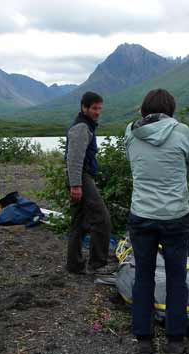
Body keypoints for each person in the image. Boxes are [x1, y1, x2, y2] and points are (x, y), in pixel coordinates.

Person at [124, 89, 189, 354]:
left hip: (141, 214)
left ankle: (144, 339)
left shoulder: (130, 132)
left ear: (144, 108)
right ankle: (175, 340)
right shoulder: (182, 131)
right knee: (177, 276)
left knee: (143, 275)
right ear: (171, 108)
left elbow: (132, 163)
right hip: (175, 215)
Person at [64, 91, 112, 274]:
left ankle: (74, 265)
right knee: (102, 219)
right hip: (80, 176)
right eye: (94, 108)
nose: (98, 111)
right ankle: (97, 264)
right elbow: (74, 159)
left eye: (100, 108)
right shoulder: (81, 128)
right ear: (84, 108)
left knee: (79, 221)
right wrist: (76, 185)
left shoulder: (86, 126)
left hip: (80, 177)